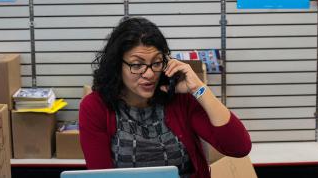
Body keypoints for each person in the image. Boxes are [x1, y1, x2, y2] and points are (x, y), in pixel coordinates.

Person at [79, 17, 251, 178]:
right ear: (117, 65)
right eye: (137, 65)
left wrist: (199, 89)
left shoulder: (180, 100)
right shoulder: (95, 106)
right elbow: (100, 174)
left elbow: (238, 148)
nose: (149, 74)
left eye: (156, 63)